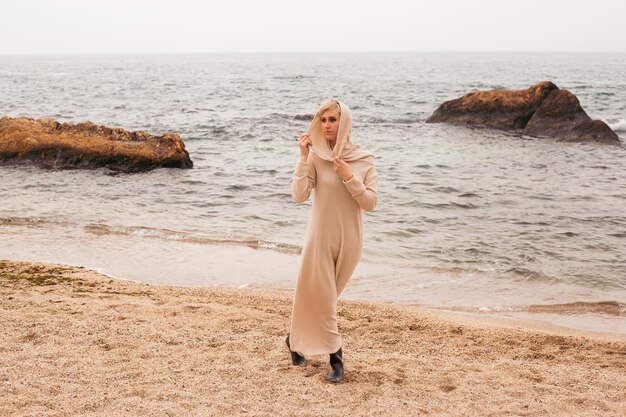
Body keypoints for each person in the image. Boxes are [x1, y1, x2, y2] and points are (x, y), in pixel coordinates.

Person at [285, 98, 378, 383]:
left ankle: (293, 339)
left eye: (332, 120)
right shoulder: (314, 157)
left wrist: (349, 176)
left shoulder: (363, 159)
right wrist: (302, 159)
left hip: (350, 240)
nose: (326, 125)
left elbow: (371, 202)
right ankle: (336, 358)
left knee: (325, 298)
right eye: (323, 120)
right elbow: (299, 196)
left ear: (344, 122)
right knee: (325, 301)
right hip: (319, 239)